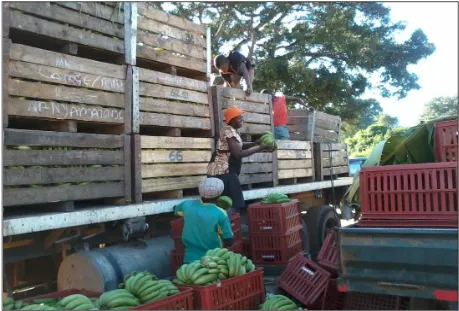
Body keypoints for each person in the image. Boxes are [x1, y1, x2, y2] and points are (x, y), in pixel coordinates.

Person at [207, 105, 275, 216]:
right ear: (232, 120)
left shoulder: (232, 131)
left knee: (229, 202)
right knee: (233, 203)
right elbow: (238, 154)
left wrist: (255, 143)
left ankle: (229, 221)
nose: (242, 119)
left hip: (224, 172)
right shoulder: (228, 132)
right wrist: (260, 148)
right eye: (239, 118)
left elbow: (239, 146)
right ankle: (228, 223)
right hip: (222, 173)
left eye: (242, 117)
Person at [173, 177, 234, 264]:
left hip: (189, 260)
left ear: (200, 191)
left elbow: (175, 210)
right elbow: (229, 241)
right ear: (220, 194)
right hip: (213, 261)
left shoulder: (187, 205)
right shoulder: (220, 213)